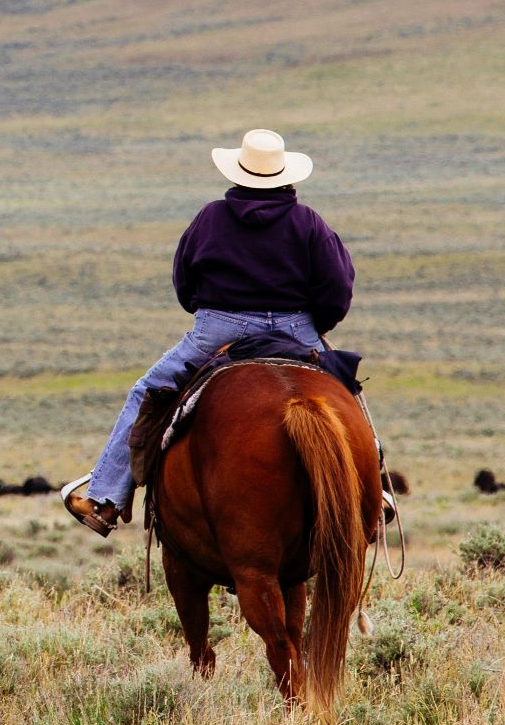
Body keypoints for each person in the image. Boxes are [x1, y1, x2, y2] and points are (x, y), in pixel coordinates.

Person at [62, 129, 356, 537]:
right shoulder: (310, 223)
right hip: (295, 328)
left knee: (147, 391)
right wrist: (313, 326)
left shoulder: (210, 218)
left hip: (220, 328)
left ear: (238, 173)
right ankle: (371, 498)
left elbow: (184, 282)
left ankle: (105, 498)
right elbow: (337, 288)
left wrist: (214, 314)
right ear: (287, 177)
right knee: (348, 394)